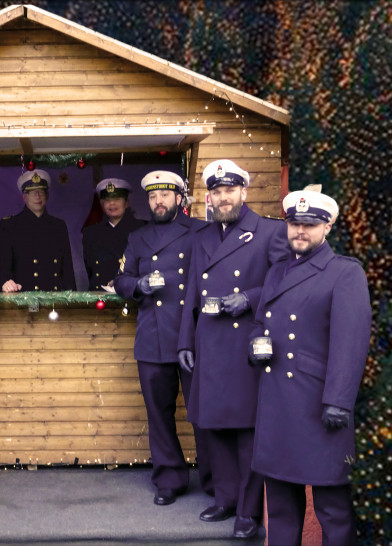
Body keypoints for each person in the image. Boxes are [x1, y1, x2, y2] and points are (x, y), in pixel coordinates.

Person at [249, 189, 371, 546]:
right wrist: (256, 344)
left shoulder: (344, 273)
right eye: (294, 224)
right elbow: (260, 323)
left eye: (309, 226)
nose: (300, 232)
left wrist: (338, 400)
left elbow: (350, 343)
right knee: (284, 506)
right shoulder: (276, 272)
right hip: (277, 404)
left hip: (319, 406)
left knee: (332, 506)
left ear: (327, 227)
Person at [177, 159, 287, 539]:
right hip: (208, 344)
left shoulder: (270, 233)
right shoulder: (203, 237)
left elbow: (285, 282)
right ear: (210, 197)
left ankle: (249, 511)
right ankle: (225, 500)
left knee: (246, 433)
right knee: (215, 430)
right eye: (217, 192)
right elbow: (191, 294)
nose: (224, 198)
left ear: (244, 191)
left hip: (245, 346)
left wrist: (249, 298)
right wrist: (183, 341)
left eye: (230, 190)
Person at [114, 171, 210, 506]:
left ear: (180, 199)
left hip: (195, 335)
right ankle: (169, 478)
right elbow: (122, 278)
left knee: (203, 411)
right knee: (158, 413)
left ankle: (213, 478)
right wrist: (139, 286)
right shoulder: (138, 237)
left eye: (165, 195)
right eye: (153, 197)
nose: (158, 202)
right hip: (153, 336)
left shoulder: (201, 231)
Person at [0, 169, 76, 292]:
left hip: (54, 298)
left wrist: (72, 300)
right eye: (32, 192)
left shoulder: (58, 226)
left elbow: (67, 270)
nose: (38, 196)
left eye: (41, 191)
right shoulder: (9, 226)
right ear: (24, 196)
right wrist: (4, 282)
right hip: (21, 298)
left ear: (47, 195)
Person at [83, 178, 145, 290]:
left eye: (117, 199)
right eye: (107, 200)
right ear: (102, 204)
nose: (112, 203)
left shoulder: (142, 229)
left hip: (131, 294)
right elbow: (90, 270)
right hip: (98, 295)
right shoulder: (90, 233)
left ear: (126, 203)